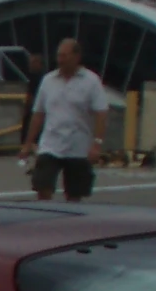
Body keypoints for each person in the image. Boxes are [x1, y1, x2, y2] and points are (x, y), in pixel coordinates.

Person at [23, 36, 107, 202]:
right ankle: (47, 219)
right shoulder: (48, 80)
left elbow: (101, 113)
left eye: (64, 56)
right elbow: (39, 114)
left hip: (78, 145)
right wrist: (27, 143)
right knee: (42, 184)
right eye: (59, 55)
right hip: (50, 144)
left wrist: (97, 144)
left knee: (74, 194)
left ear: (76, 57)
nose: (60, 60)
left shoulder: (91, 81)